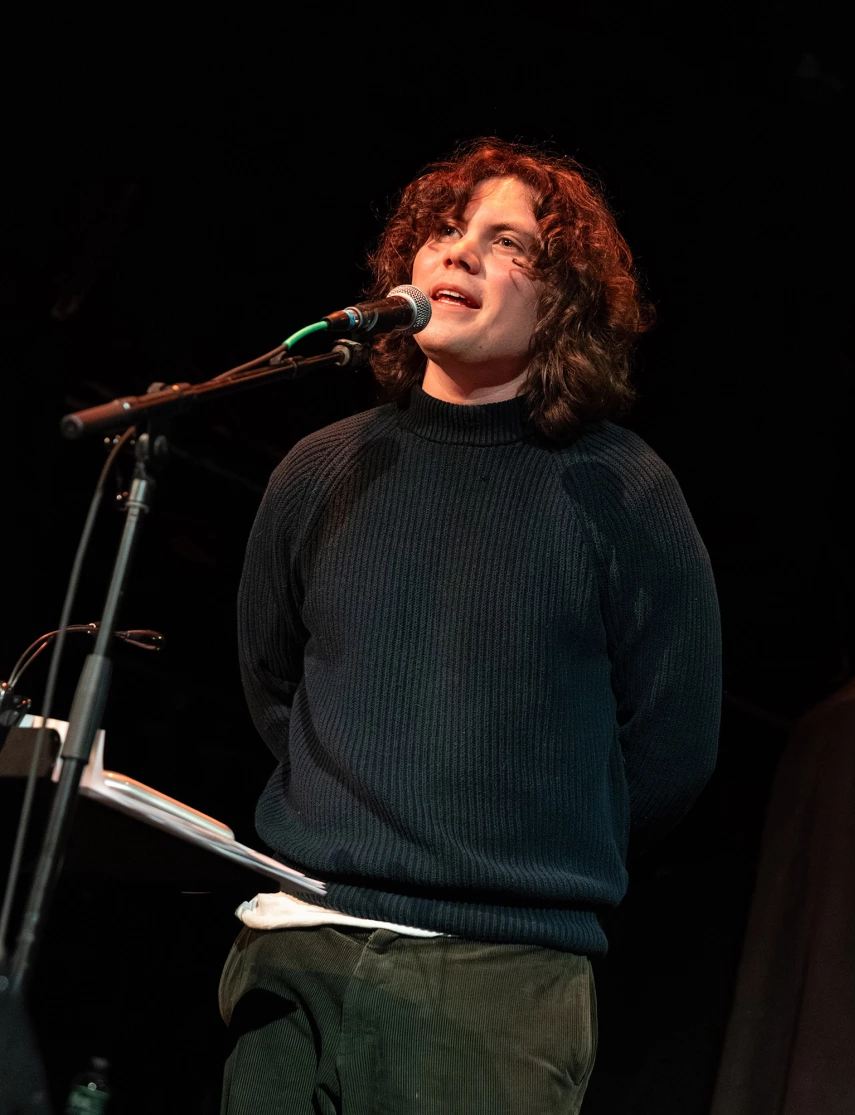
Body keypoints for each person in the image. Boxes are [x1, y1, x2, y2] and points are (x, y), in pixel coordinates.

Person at [219, 138, 722, 1115]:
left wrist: (513, 847)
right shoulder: (324, 468)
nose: (457, 254)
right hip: (295, 942)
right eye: (444, 232)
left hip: (492, 981)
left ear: (561, 301)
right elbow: (273, 684)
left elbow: (671, 748)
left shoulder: (621, 491)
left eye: (504, 242)